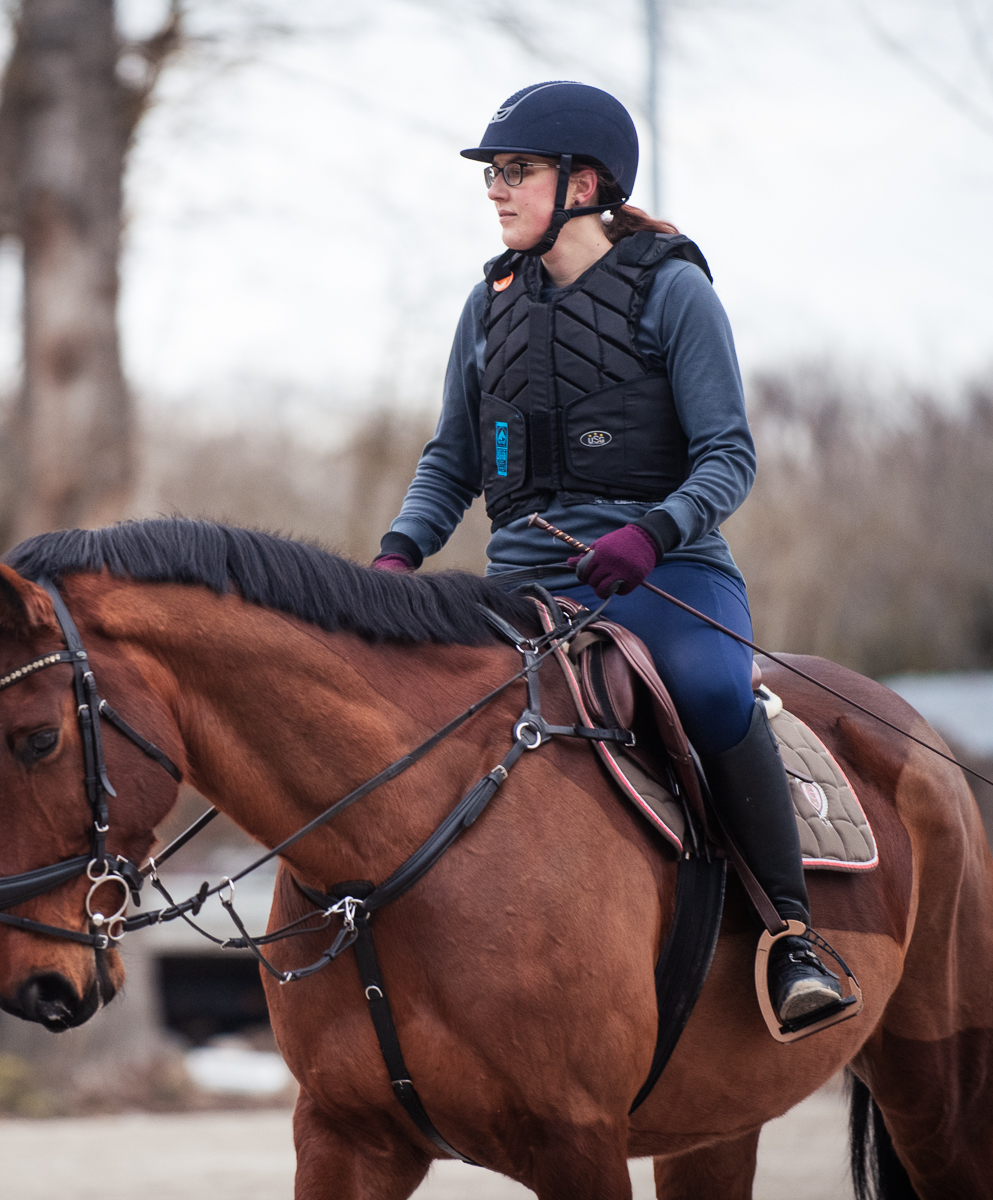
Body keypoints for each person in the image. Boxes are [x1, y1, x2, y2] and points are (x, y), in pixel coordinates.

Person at [371, 80, 845, 1028]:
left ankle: (792, 935)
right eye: (494, 175)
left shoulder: (674, 290)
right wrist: (395, 558)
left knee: (712, 691)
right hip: (521, 583)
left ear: (583, 184)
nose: (497, 191)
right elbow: (452, 460)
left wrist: (655, 532)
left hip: (665, 569)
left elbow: (729, 456)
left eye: (517, 172)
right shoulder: (489, 305)